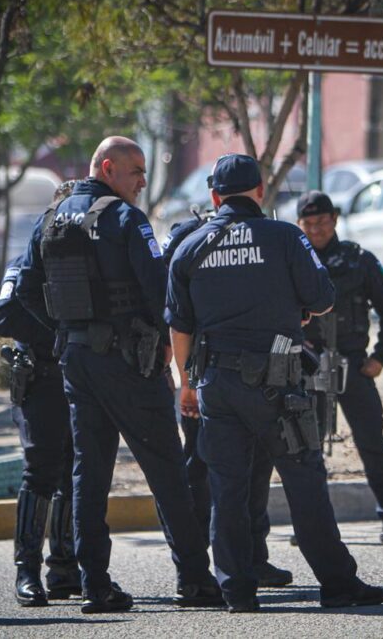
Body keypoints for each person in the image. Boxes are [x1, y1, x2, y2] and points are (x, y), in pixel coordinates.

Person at [166, 153, 383, 612]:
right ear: (260, 191)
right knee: (304, 482)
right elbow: (323, 299)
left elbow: (179, 327)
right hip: (278, 384)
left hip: (216, 386)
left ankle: (237, 590)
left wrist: (185, 384)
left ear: (214, 196)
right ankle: (337, 584)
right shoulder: (285, 237)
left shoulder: (190, 246)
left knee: (226, 489)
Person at [16, 137, 220, 613]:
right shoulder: (126, 219)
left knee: (90, 473)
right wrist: (167, 346)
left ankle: (96, 584)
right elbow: (158, 293)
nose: (144, 182)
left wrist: (70, 330)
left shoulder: (52, 218)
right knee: (167, 469)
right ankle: (193, 577)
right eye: (137, 171)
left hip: (77, 362)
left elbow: (26, 289)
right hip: (130, 364)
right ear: (108, 168)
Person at [162, 213, 292, 587]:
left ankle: (253, 557)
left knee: (256, 469)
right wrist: (183, 380)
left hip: (235, 373)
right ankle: (201, 568)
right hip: (205, 377)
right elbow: (173, 316)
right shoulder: (189, 239)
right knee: (205, 472)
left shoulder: (251, 238)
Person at [295, 191, 383, 545]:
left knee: (372, 443)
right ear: (298, 225)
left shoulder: (358, 259)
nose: (316, 229)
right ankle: (312, 526)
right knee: (307, 448)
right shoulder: (292, 260)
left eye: (322, 222)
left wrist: (381, 356)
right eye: (308, 223)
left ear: (334, 219)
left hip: (352, 363)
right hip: (308, 365)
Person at [0, 182, 80, 607]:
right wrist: (59, 338)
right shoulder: (27, 260)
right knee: (41, 472)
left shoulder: (86, 264)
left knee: (73, 472)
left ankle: (64, 567)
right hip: (41, 378)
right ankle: (27, 571)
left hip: (78, 380)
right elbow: (5, 315)